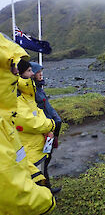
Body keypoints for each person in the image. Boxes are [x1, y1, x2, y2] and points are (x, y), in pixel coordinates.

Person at [0, 32, 55, 214]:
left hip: (35, 147)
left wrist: (35, 176)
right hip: (32, 145)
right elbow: (27, 120)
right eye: (29, 70)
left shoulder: (10, 108)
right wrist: (47, 201)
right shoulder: (16, 100)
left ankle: (44, 183)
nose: (33, 73)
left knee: (42, 169)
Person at [16, 59, 61, 194]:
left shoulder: (33, 89)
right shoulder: (21, 94)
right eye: (31, 71)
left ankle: (47, 191)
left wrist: (53, 125)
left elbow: (39, 111)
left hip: (42, 135)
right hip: (33, 139)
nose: (37, 74)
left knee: (44, 163)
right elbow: (28, 120)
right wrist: (51, 124)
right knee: (36, 169)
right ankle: (43, 196)